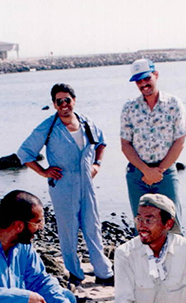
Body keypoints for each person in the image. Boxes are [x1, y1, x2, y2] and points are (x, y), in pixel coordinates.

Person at [17, 83, 114, 287]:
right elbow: (25, 153)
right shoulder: (48, 127)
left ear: (74, 100)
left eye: (67, 100)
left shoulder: (86, 123)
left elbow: (102, 142)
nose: (63, 105)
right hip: (62, 186)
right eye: (59, 101)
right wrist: (44, 171)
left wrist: (97, 164)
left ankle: (104, 273)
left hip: (86, 184)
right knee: (68, 231)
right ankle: (75, 273)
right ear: (54, 104)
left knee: (93, 227)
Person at [120, 59, 186, 229]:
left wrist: (160, 171)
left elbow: (180, 140)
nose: (143, 84)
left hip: (165, 173)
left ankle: (175, 256)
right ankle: (146, 257)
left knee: (172, 224)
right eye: (139, 81)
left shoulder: (173, 104)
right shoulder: (129, 107)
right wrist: (146, 170)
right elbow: (125, 144)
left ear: (156, 75)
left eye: (146, 78)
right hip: (138, 174)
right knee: (143, 227)